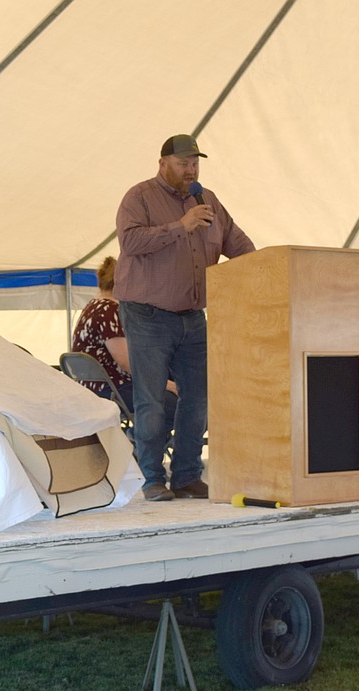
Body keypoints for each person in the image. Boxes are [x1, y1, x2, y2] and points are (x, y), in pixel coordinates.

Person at [114, 134, 255, 502]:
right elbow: (129, 243)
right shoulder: (139, 197)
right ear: (163, 164)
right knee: (152, 399)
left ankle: (188, 475)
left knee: (198, 399)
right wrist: (182, 225)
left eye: (195, 162)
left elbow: (240, 247)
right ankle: (151, 478)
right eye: (183, 162)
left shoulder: (208, 200)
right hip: (147, 315)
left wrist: (263, 267)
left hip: (193, 317)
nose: (190, 169)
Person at [71, 256, 178, 425]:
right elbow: (126, 362)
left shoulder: (92, 307)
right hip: (114, 390)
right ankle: (144, 439)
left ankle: (147, 439)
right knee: (185, 405)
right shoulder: (110, 310)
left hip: (94, 388)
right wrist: (166, 384)